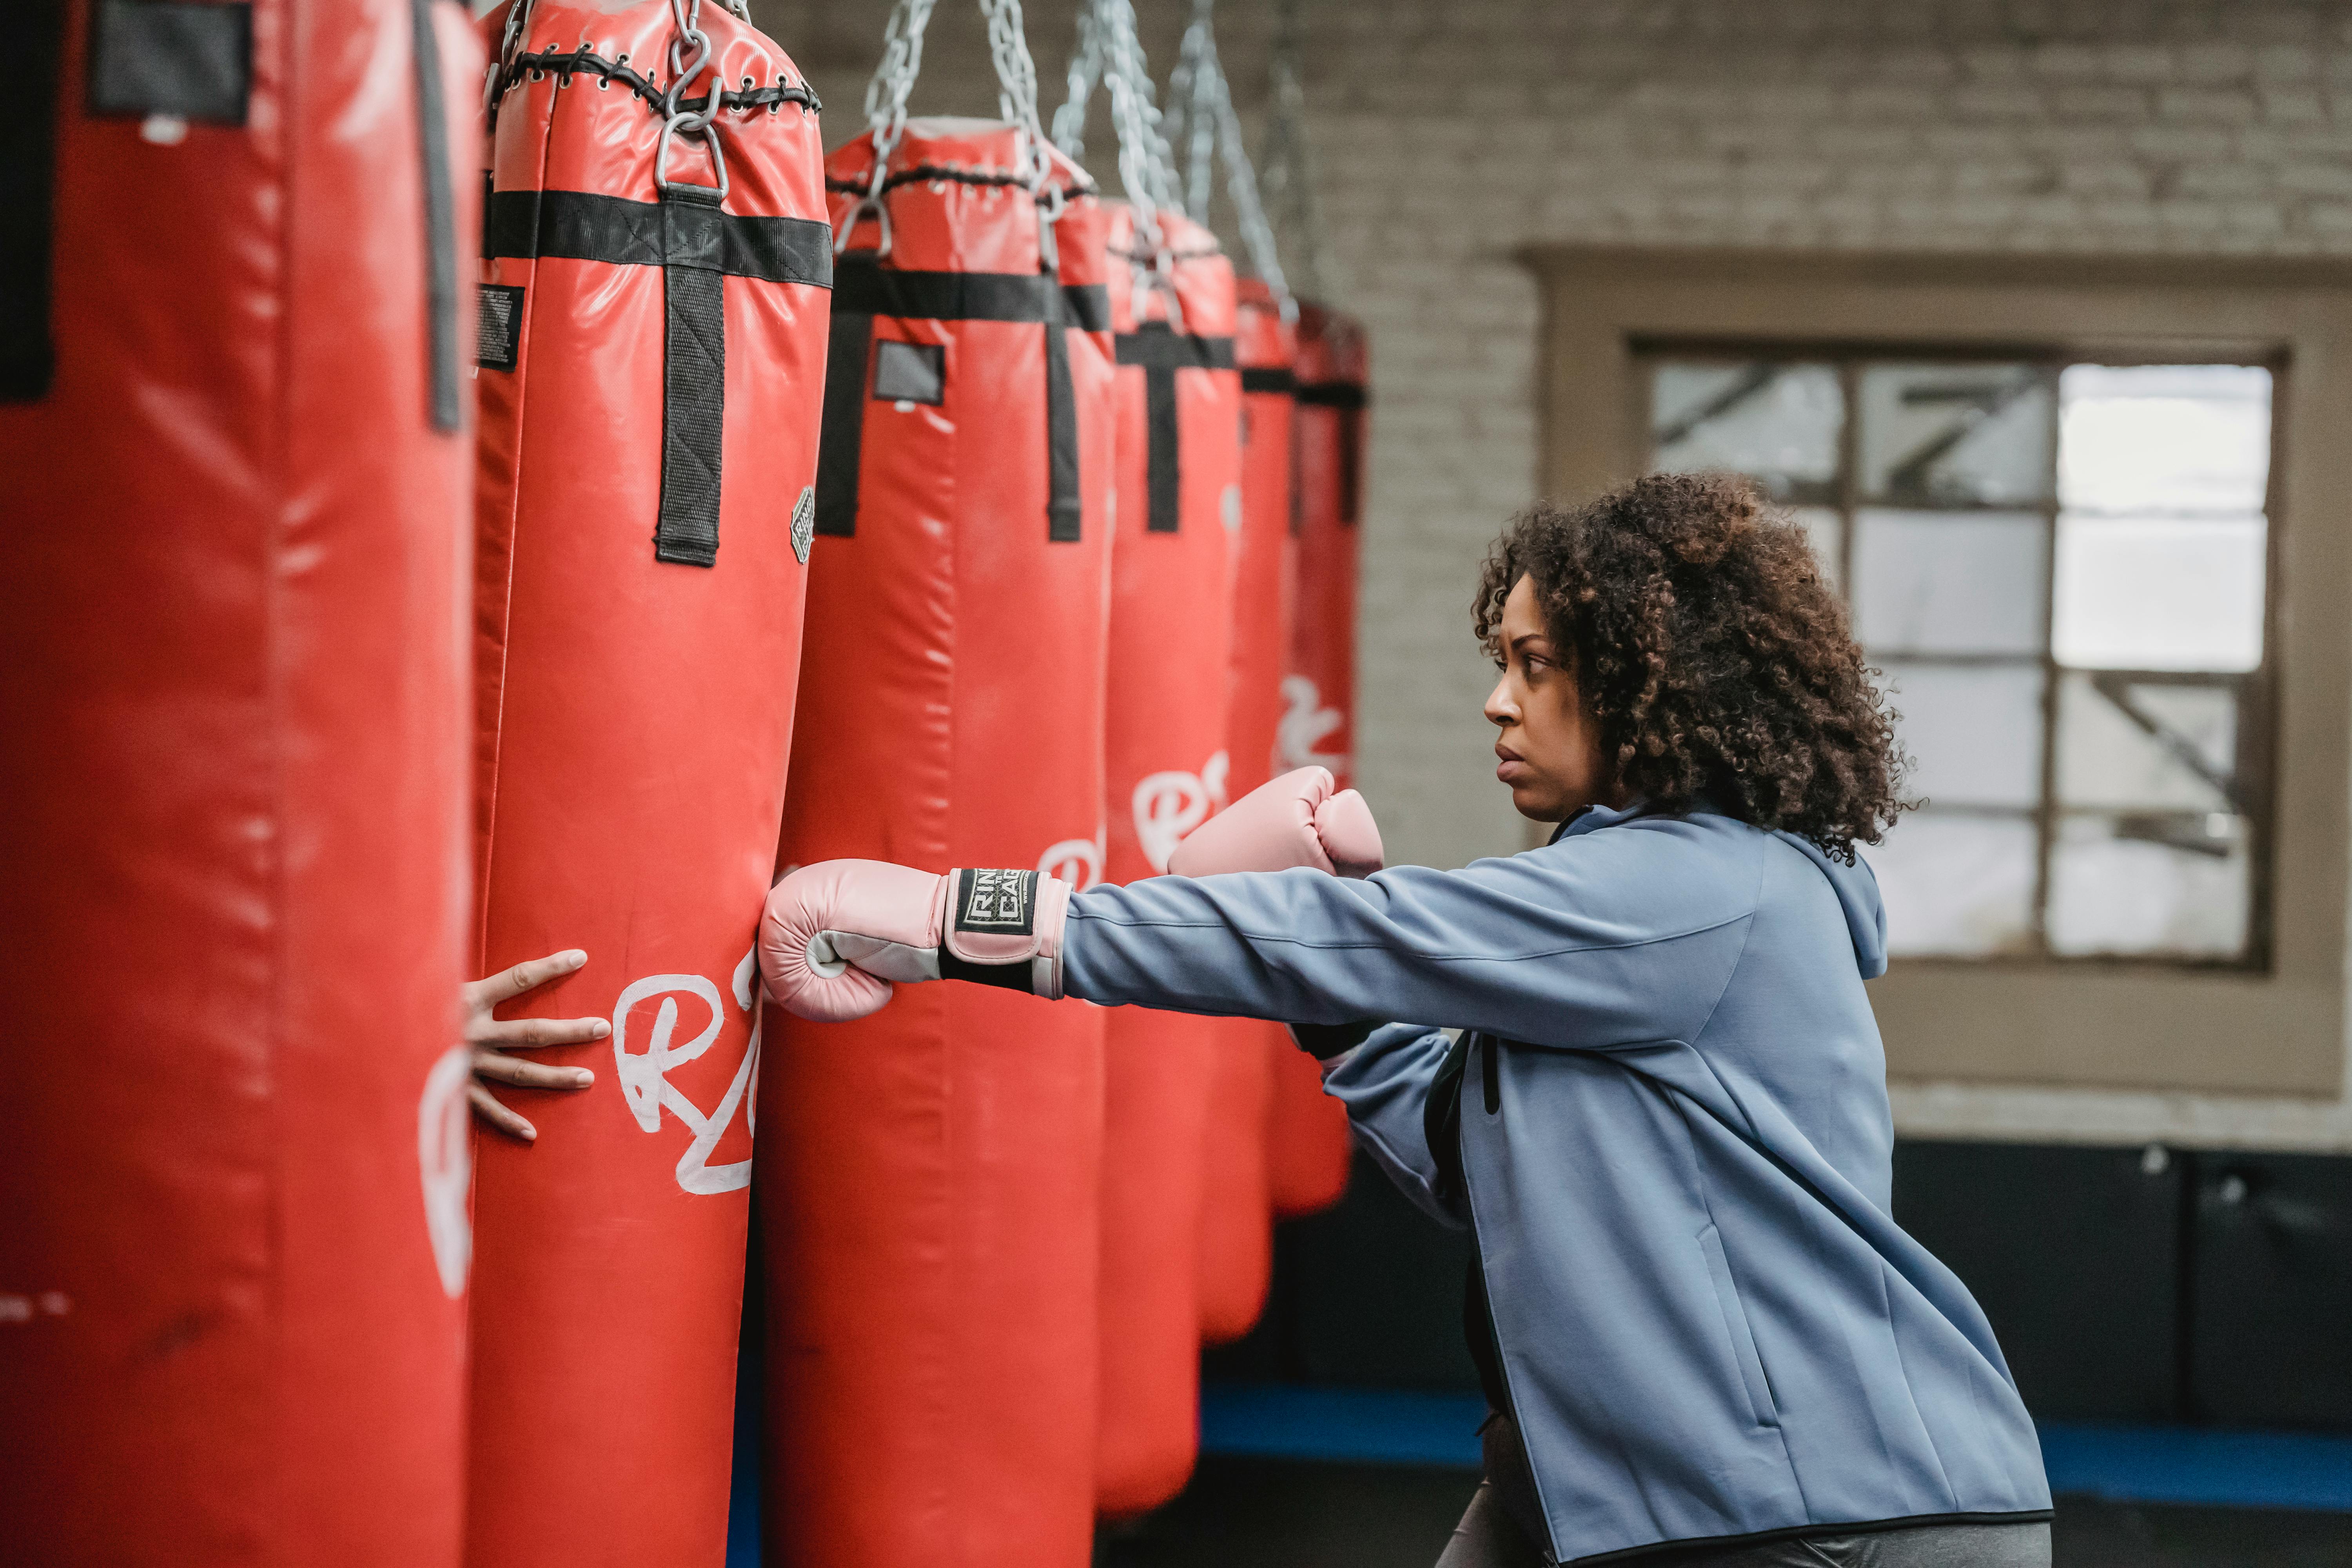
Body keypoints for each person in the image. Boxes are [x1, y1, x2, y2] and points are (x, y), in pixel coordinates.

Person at [766, 472, 2054, 1567]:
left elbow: (1363, 938)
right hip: (1613, 1480)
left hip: (1826, 1506)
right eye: (1503, 664)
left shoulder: (1705, 886)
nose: (1500, 702)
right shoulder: (1622, 910)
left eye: (1538, 669)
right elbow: (1465, 1157)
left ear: (1659, 687)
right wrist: (1338, 1016)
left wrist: (959, 919)